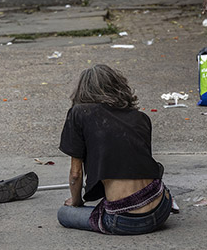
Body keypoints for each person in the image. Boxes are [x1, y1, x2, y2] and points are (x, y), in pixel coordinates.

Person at [57, 65, 173, 235]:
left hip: (126, 220)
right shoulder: (141, 118)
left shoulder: (79, 113)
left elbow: (76, 174)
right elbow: (137, 163)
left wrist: (76, 202)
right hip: (162, 208)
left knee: (64, 214)